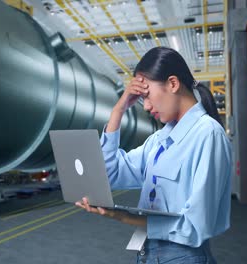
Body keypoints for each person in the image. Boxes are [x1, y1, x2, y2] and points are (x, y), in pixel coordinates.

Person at [75, 47, 232, 264]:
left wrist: (122, 215)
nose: (146, 107)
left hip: (183, 257)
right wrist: (118, 111)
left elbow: (195, 226)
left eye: (147, 95)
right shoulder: (158, 140)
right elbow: (109, 174)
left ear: (173, 84)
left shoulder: (208, 135)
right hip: (146, 252)